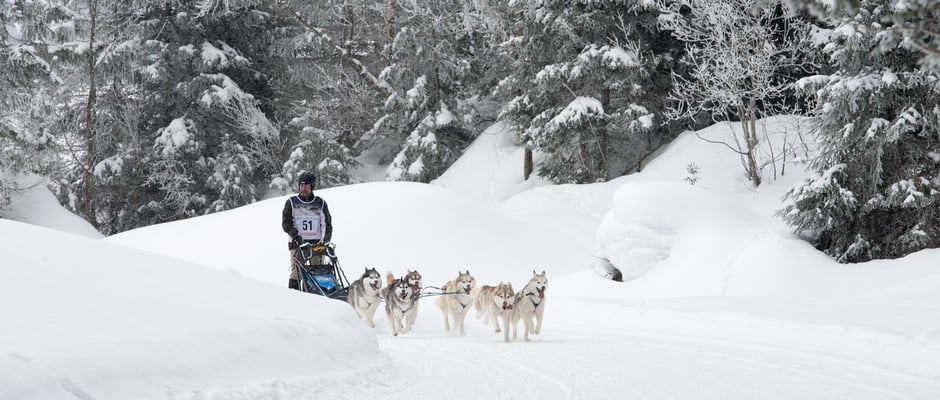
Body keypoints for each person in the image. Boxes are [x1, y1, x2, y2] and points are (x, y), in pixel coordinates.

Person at [282, 171, 333, 290]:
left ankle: (317, 296)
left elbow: (327, 224)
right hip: (297, 244)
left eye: (306, 185)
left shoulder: (320, 203)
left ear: (312, 186)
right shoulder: (291, 202)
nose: (303, 188)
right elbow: (286, 223)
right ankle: (293, 297)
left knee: (318, 273)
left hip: (316, 244)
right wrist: (296, 236)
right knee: (296, 274)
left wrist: (325, 241)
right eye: (301, 185)